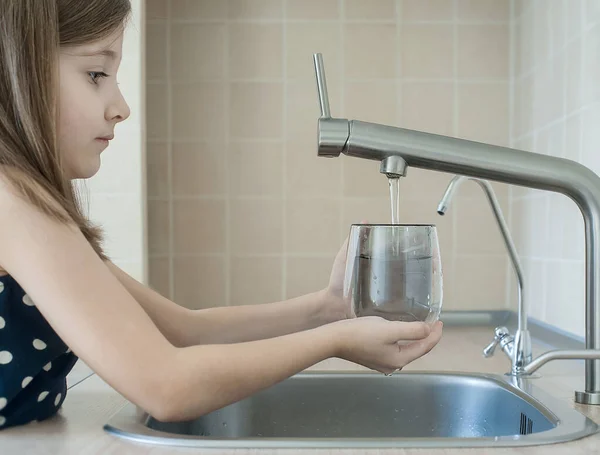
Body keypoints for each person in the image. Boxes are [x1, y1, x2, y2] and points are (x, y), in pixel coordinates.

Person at [0, 0, 443, 430]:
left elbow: (183, 331)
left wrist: (330, 310)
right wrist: (336, 341)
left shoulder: (26, 204)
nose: (121, 107)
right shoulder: (13, 201)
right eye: (96, 73)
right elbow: (166, 385)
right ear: (20, 70)